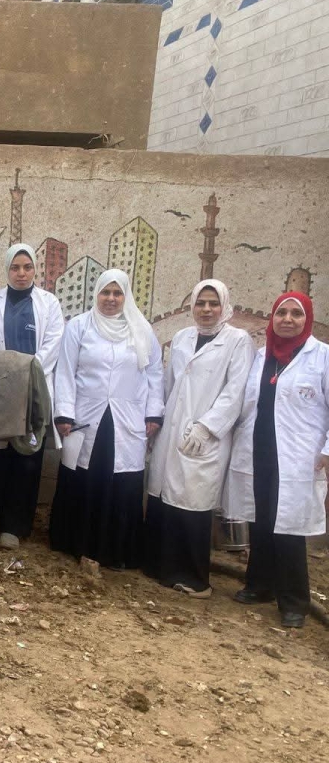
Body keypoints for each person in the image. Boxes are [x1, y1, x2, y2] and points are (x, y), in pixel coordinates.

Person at [222, 292, 329, 628]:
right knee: (261, 521)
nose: (287, 319)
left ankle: (294, 601)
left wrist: (327, 450)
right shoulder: (261, 356)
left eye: (296, 314)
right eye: (281, 313)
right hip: (259, 450)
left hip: (297, 457)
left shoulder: (322, 357)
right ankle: (260, 585)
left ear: (307, 319)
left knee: (289, 528)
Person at [49, 269, 163, 572]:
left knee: (122, 480)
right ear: (96, 294)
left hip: (127, 417)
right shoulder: (79, 326)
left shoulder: (141, 330)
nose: (111, 299)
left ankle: (118, 551)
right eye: (105, 292)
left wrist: (154, 413)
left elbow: (155, 374)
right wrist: (64, 412)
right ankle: (78, 543)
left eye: (117, 293)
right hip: (87, 414)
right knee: (86, 475)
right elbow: (65, 372)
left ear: (126, 296)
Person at [144, 280, 252, 597]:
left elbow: (235, 392)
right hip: (172, 431)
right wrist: (157, 421)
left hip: (204, 435)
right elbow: (169, 384)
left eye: (213, 303)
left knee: (193, 501)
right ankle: (159, 567)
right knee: (164, 495)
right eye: (200, 303)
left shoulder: (238, 341)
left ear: (224, 306)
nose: (206, 310)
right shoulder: (182, 337)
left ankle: (193, 578)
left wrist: (207, 427)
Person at [0, 244, 65, 554]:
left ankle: (13, 528)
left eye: (27, 267)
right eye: (15, 267)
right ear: (7, 270)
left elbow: (53, 344)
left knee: (26, 462)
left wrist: (25, 375)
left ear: (35, 270)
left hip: (32, 392)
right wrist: (2, 375)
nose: (21, 273)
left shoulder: (49, 304)